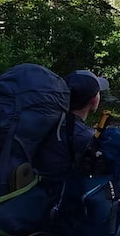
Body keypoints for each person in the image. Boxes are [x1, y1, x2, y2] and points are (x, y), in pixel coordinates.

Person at [34, 69, 109, 198]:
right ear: (94, 99)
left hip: (34, 193)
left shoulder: (46, 121)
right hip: (56, 204)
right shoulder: (84, 137)